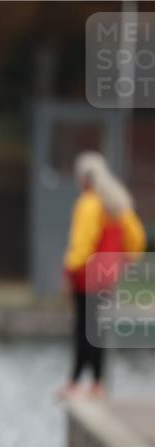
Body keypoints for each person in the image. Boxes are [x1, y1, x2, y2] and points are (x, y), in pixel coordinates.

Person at [57, 152, 147, 400]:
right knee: (98, 330)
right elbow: (137, 238)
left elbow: (82, 245)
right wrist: (126, 260)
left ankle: (74, 382)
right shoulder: (117, 203)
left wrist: (68, 271)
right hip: (109, 276)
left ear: (83, 178)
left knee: (82, 329)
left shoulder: (89, 203)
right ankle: (98, 383)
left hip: (87, 277)